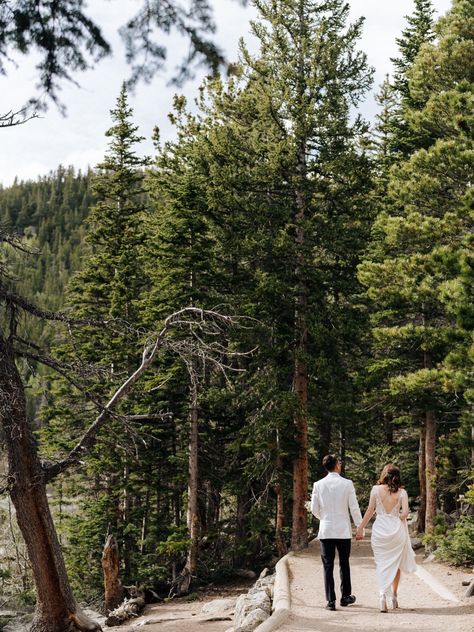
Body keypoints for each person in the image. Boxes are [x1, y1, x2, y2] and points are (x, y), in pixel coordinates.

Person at [356, 463, 417, 612]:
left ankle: (382, 595)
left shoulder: (376, 490)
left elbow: (370, 510)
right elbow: (405, 513)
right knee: (395, 564)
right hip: (396, 530)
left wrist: (360, 527)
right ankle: (394, 596)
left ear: (384, 475)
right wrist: (398, 519)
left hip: (380, 530)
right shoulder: (402, 492)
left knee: (382, 563)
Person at [311, 454, 363, 611]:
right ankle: (345, 596)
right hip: (343, 530)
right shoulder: (347, 484)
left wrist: (324, 518)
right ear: (337, 466)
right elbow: (353, 507)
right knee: (344, 563)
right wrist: (359, 526)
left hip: (326, 530)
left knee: (327, 565)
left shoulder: (318, 485)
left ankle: (330, 601)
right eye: (339, 462)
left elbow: (314, 509)